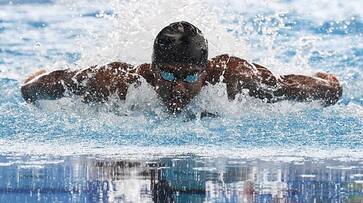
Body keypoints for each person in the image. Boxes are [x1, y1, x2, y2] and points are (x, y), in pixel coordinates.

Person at [21, 21, 342, 113]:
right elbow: (45, 85)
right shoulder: (117, 83)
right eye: (167, 74)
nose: (178, 87)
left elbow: (284, 85)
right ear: (151, 68)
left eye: (190, 76)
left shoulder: (233, 78)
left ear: (205, 71)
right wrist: (33, 80)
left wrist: (330, 86)